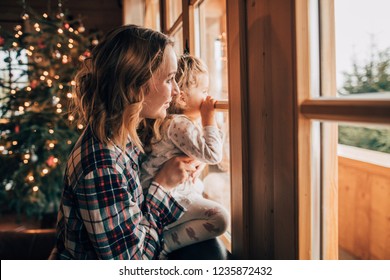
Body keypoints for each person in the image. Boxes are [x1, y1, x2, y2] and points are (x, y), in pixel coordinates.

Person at [49, 25, 199, 260]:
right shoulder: (101, 167)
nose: (177, 91)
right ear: (135, 85)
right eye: (170, 79)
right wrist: (163, 187)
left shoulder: (122, 135)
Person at [140, 54, 229, 258]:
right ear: (181, 97)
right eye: (204, 91)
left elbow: (201, 153)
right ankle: (165, 246)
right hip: (164, 196)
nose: (208, 98)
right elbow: (213, 154)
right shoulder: (179, 124)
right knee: (220, 219)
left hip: (164, 191)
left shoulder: (176, 123)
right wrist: (209, 118)